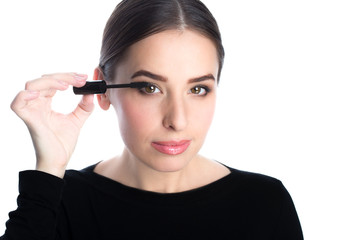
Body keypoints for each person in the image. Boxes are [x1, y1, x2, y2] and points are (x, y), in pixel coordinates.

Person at [1, 0, 303, 239]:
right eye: (150, 88)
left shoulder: (264, 205)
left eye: (198, 89)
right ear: (103, 88)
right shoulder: (59, 203)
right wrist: (49, 169)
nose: (178, 120)